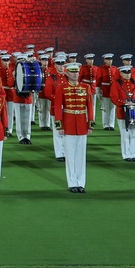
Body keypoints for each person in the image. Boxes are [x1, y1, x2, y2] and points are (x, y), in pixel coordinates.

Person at [53, 63, 95, 193]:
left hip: (82, 123)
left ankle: (81, 182)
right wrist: (59, 125)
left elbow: (90, 107)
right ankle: (72, 182)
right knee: (70, 155)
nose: (75, 74)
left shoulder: (86, 87)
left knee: (81, 156)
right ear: (67, 73)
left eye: (76, 72)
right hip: (69, 123)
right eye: (72, 72)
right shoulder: (62, 88)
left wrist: (90, 124)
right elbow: (57, 107)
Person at [110, 65, 135, 162]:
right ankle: (126, 155)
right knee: (125, 134)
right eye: (125, 73)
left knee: (133, 133)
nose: (127, 75)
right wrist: (124, 102)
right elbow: (114, 97)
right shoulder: (117, 83)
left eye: (129, 73)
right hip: (122, 111)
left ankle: (134, 154)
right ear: (120, 73)